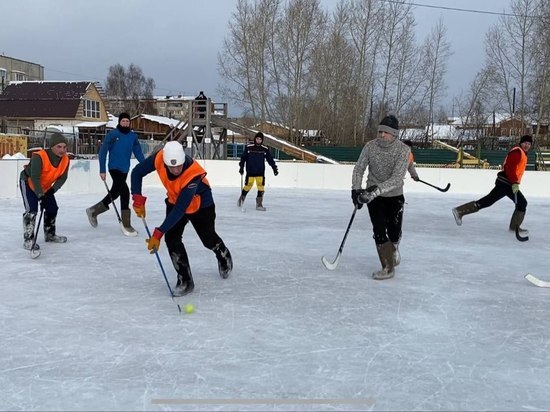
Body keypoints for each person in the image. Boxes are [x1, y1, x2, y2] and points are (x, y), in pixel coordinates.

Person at [130, 141, 232, 296]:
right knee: (172, 239)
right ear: (164, 162)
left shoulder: (193, 174)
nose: (176, 170)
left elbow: (180, 209)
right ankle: (185, 279)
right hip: (174, 199)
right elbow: (137, 172)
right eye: (172, 167)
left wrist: (158, 233)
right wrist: (137, 197)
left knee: (208, 238)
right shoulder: (159, 158)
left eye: (179, 166)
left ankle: (222, 253)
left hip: (201, 203)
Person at [351, 114, 410, 280]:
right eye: (380, 131)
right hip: (373, 197)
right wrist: (356, 190)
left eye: (385, 132)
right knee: (378, 229)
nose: (381, 135)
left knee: (394, 232)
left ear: (394, 134)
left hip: (394, 195)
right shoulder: (370, 146)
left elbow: (397, 178)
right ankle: (387, 267)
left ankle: (394, 247)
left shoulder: (403, 150)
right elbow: (359, 168)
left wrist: (377, 190)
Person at [452, 134, 533, 234]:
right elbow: (510, 168)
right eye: (525, 143)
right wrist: (515, 182)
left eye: (529, 144)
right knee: (520, 202)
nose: (527, 145)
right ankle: (459, 211)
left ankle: (460, 211)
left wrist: (514, 182)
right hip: (506, 183)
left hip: (508, 183)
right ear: (521, 143)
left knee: (490, 201)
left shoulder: (522, 153)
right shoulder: (517, 152)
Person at [86, 113, 145, 235]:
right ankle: (126, 224)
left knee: (115, 192)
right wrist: (102, 169)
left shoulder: (133, 136)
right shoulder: (113, 135)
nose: (125, 123)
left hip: (125, 169)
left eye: (127, 121)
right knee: (124, 192)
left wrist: (145, 165)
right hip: (114, 168)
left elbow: (138, 151)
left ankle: (93, 211)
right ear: (119, 122)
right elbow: (103, 152)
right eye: (123, 121)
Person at [20, 133, 70, 250]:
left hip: (45, 186)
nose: (62, 150)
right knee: (32, 210)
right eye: (59, 147)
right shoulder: (39, 157)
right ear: (52, 146)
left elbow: (63, 177)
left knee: (52, 208)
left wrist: (52, 190)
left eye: (64, 147)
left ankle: (50, 234)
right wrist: (40, 196)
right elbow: (35, 177)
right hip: (29, 182)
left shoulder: (65, 160)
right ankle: (28, 240)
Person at [238, 132, 279, 211]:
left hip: (260, 172)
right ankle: (241, 199)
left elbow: (270, 159)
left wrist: (274, 168)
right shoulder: (249, 147)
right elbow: (243, 158)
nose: (258, 140)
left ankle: (259, 204)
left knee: (261, 187)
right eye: (257, 139)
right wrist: (241, 167)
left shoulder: (264, 149)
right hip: (250, 171)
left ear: (262, 140)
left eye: (260, 139)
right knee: (248, 186)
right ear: (255, 139)